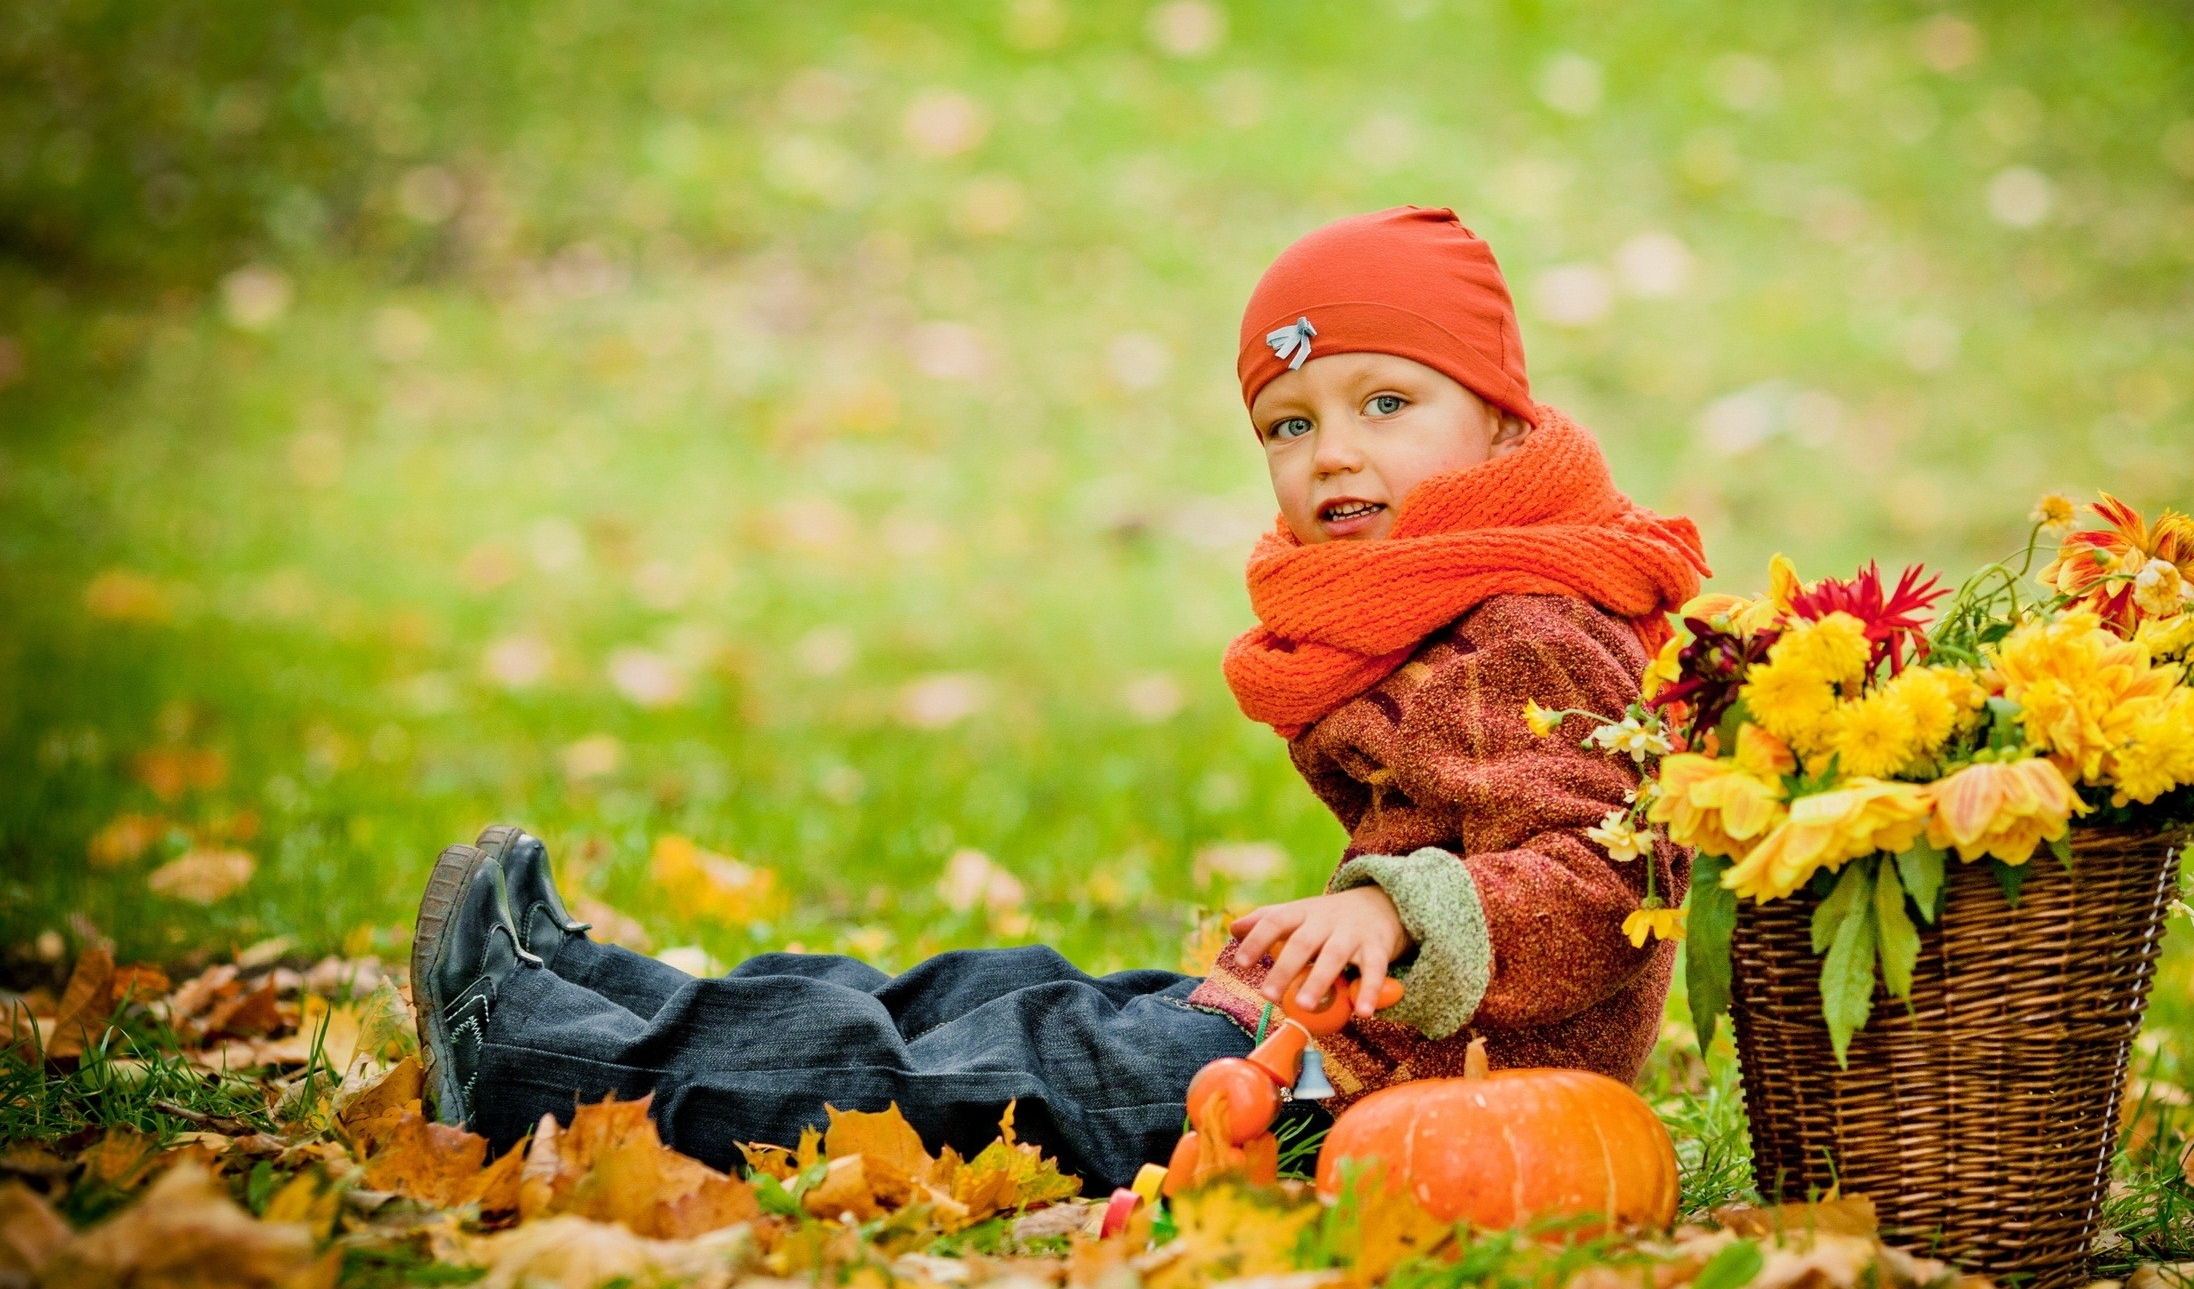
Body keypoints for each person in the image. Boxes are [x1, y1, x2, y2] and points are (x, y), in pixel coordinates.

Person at [408, 206, 1708, 1192]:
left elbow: (1609, 879)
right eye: (1290, 424)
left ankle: (541, 1064)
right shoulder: (1460, 588)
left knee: (962, 1075)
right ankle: (599, 987)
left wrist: (1405, 911)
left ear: (1496, 422)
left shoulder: (1537, 617)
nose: (1335, 451)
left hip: (1389, 1106)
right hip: (1317, 1040)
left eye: (1385, 401)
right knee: (978, 991)